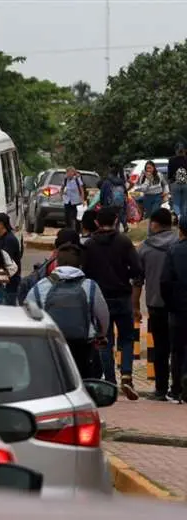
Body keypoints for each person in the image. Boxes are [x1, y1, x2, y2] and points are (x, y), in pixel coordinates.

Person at [82, 206, 143, 399]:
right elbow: (137, 270)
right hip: (122, 297)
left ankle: (110, 381)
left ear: (97, 223)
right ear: (116, 220)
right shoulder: (124, 242)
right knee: (126, 338)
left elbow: (85, 272)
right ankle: (126, 375)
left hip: (100, 299)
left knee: (105, 341)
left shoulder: (90, 245)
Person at [27, 244, 108, 378]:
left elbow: (28, 313)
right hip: (82, 346)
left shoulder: (40, 286)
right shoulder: (90, 286)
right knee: (86, 380)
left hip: (51, 344)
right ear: (80, 265)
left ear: (56, 264)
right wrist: (101, 334)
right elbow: (103, 315)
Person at [132, 208, 178, 401]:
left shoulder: (145, 248)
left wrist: (135, 306)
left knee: (159, 348)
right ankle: (178, 388)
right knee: (179, 348)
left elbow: (137, 281)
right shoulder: (179, 244)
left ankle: (160, 389)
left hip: (155, 304)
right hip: (179, 306)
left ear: (155, 224)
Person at [159, 216, 187, 403]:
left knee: (177, 350)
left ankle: (176, 388)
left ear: (181, 230)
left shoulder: (174, 251)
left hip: (178, 309)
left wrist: (170, 304)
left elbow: (165, 282)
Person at [0, 213, 21, 305]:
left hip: (10, 284)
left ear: (1, 225)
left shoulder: (9, 240)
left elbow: (4, 261)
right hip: (1, 282)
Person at [100, 165, 129, 232]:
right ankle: (119, 229)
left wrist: (102, 204)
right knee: (118, 217)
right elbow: (125, 192)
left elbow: (102, 194)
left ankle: (114, 231)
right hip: (120, 204)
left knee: (112, 219)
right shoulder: (121, 182)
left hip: (109, 204)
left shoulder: (106, 182)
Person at [61, 166, 85, 232]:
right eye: (67, 172)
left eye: (70, 172)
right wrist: (61, 196)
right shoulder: (65, 179)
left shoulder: (77, 180)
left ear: (73, 173)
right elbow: (62, 188)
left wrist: (82, 200)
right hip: (67, 201)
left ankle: (77, 231)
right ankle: (68, 230)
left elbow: (81, 190)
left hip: (76, 201)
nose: (68, 174)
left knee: (76, 217)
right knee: (67, 217)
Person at [167, 143, 187, 220]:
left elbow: (169, 174)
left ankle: (178, 217)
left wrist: (169, 186)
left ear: (176, 151)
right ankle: (184, 219)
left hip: (175, 183)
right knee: (185, 202)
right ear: (184, 150)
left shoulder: (172, 160)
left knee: (176, 202)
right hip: (186, 184)